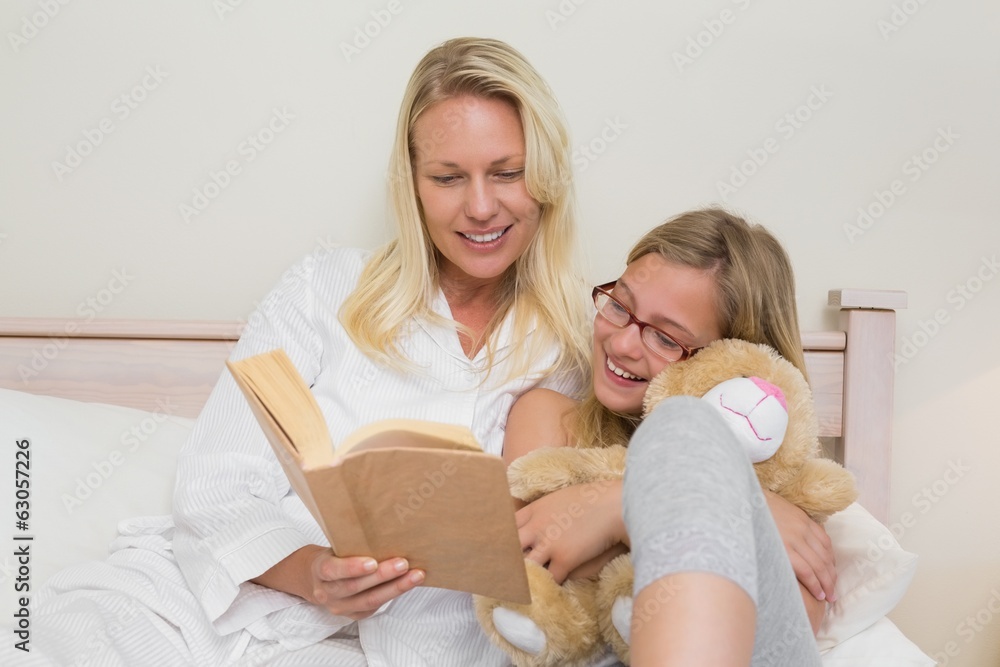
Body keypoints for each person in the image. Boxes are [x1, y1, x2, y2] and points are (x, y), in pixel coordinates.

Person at [20, 37, 591, 666]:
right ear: (411, 184)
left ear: (546, 176)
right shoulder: (324, 289)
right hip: (195, 612)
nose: (480, 207)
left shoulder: (579, 350)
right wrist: (314, 573)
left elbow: (561, 552)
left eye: (507, 173)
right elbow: (215, 481)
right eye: (447, 177)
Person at [499, 208, 831, 665]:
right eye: (619, 305)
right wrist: (697, 508)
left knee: (683, 425)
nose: (622, 344)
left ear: (734, 361)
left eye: (666, 339)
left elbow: (788, 630)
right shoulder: (552, 422)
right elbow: (524, 567)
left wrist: (614, 512)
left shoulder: (777, 483)